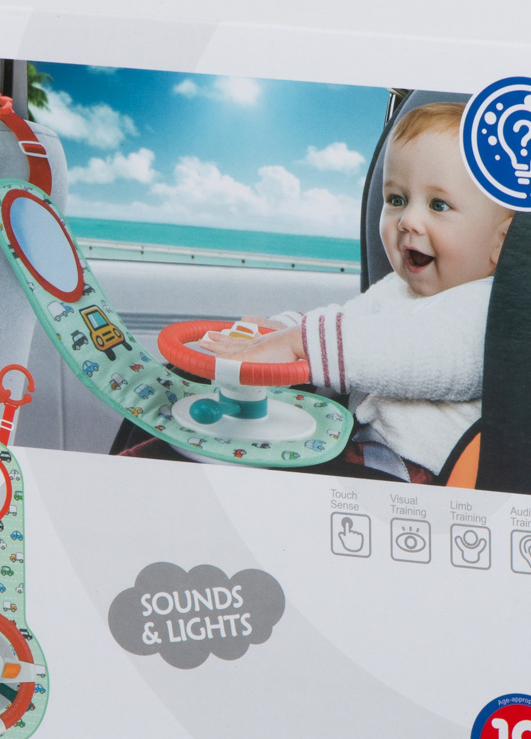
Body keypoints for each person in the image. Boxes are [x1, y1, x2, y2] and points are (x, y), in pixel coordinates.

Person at [199, 102, 513, 483]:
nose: (408, 220)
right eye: (396, 200)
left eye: (438, 205)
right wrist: (282, 332)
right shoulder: (398, 288)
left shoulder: (487, 308)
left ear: (501, 242)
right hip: (354, 446)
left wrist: (298, 343)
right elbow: (349, 321)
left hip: (409, 473)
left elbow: (406, 349)